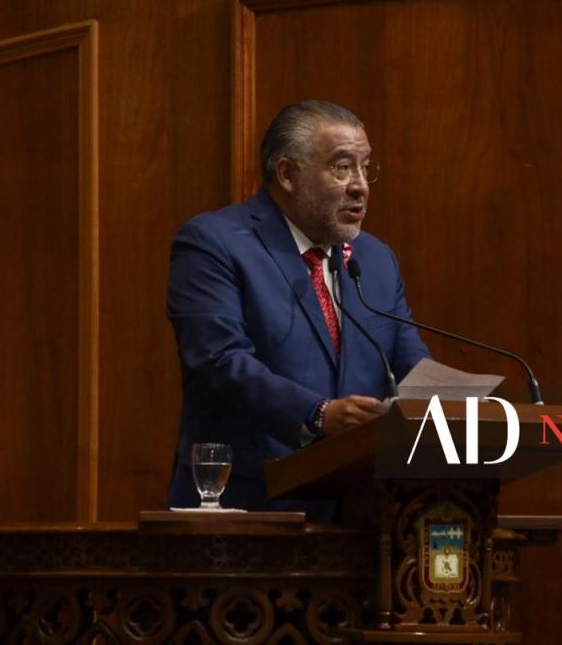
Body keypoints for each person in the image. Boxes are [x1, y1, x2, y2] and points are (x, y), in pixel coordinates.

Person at [166, 100, 431, 518]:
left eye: (366, 168)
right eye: (342, 167)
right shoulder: (215, 243)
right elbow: (219, 361)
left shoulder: (375, 259)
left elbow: (409, 363)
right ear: (287, 174)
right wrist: (318, 413)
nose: (361, 186)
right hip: (251, 505)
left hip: (361, 514)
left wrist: (450, 406)